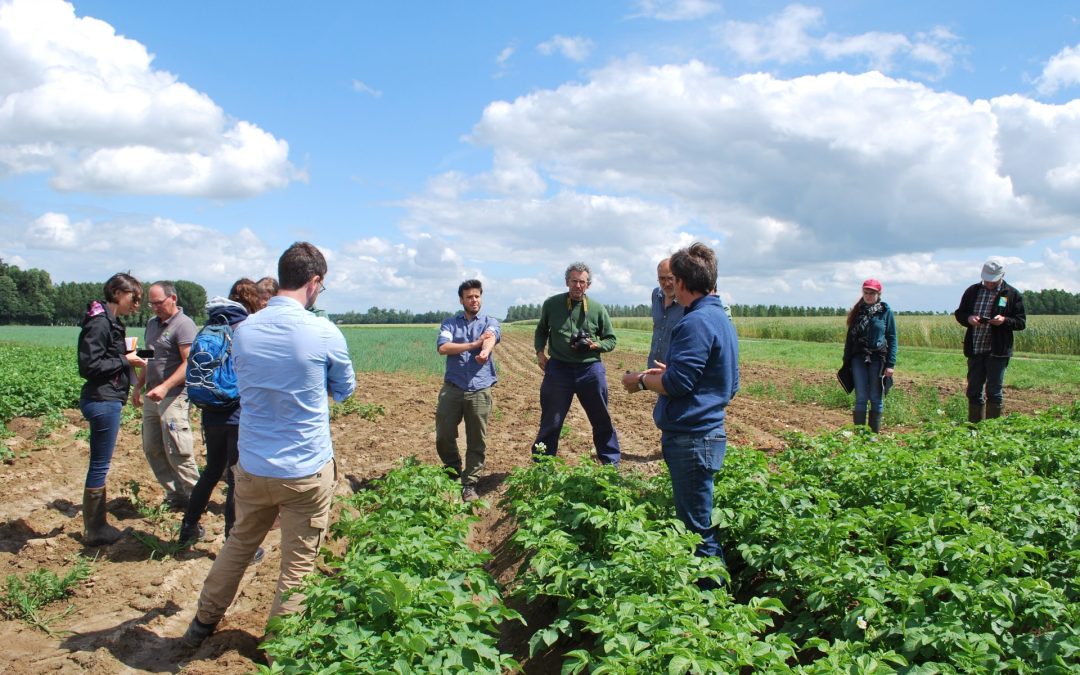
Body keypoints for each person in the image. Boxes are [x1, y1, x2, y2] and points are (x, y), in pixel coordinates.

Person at [183, 242, 356, 649]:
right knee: (296, 565)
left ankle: (201, 624)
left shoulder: (244, 331)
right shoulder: (323, 331)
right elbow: (345, 390)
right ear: (314, 282)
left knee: (239, 543)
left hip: (253, 465)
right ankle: (278, 648)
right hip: (304, 470)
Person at [621, 242, 738, 564]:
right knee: (697, 523)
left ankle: (713, 602)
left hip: (692, 438)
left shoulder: (694, 322)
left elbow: (677, 384)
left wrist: (642, 380)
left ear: (683, 283)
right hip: (705, 434)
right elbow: (731, 382)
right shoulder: (719, 318)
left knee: (697, 532)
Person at [178, 279, 263, 565]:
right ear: (251, 301)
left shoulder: (212, 326)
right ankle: (232, 539)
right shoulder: (245, 330)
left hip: (210, 411)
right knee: (236, 477)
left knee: (212, 470)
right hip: (237, 414)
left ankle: (188, 527)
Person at [77, 273, 147, 545]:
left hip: (108, 397)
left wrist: (146, 355)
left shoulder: (111, 322)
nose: (137, 304)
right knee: (99, 464)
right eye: (134, 297)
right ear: (118, 293)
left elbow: (114, 357)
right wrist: (125, 359)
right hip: (102, 399)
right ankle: (96, 528)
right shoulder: (99, 323)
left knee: (100, 463)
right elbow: (89, 366)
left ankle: (96, 525)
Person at [532, 262, 620, 465]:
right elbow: (541, 330)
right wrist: (540, 353)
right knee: (551, 421)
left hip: (590, 369)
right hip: (558, 369)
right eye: (574, 281)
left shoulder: (597, 308)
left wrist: (594, 345)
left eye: (582, 282)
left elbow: (611, 340)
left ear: (588, 285)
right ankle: (542, 466)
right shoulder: (552, 304)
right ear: (566, 282)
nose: (578, 286)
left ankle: (610, 465)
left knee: (601, 419)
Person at [133, 281, 199, 509]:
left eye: (158, 302)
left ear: (173, 299)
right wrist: (137, 385)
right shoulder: (152, 324)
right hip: (153, 394)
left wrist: (165, 387)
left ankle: (196, 499)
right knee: (152, 447)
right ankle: (176, 495)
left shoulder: (184, 325)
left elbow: (188, 362)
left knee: (177, 450)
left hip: (174, 395)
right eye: (151, 303)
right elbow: (150, 355)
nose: (154, 307)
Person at [435, 279, 500, 502]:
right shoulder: (449, 324)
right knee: (444, 433)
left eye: (477, 296)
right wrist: (474, 345)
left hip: (480, 389)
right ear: (461, 299)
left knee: (476, 439)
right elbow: (443, 348)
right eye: (470, 297)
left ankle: (470, 483)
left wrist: (485, 351)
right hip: (452, 388)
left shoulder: (489, 322)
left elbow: (490, 337)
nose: (474, 300)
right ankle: (452, 470)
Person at [953, 259, 1026, 422]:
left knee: (993, 391)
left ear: (1002, 276)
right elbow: (960, 313)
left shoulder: (1011, 294)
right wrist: (969, 318)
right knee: (973, 390)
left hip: (998, 350)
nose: (989, 283)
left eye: (993, 280)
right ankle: (975, 426)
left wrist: (1004, 320)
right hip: (976, 348)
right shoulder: (972, 291)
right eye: (987, 280)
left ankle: (992, 430)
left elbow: (1021, 322)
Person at [841, 279, 897, 433]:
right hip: (858, 358)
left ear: (879, 294)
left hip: (878, 359)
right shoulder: (857, 311)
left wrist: (890, 364)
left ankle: (873, 437)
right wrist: (846, 361)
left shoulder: (885, 312)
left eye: (872, 293)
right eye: (866, 292)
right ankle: (860, 437)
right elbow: (849, 339)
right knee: (861, 397)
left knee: (875, 397)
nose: (868, 295)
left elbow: (892, 338)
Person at [649, 258, 685, 369]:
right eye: (662, 279)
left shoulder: (686, 301)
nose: (666, 283)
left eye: (670, 278)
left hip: (674, 367)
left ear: (678, 278)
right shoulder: (655, 295)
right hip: (653, 364)